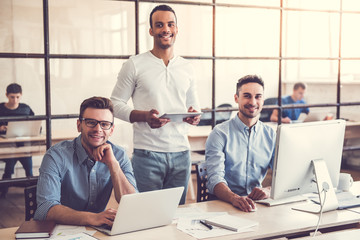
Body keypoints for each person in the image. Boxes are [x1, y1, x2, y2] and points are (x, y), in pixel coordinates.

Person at [110, 4, 200, 204]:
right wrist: (144, 116)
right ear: (151, 31)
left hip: (181, 154)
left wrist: (194, 115)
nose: (165, 29)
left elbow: (194, 106)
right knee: (145, 217)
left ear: (176, 29)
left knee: (176, 216)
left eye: (170, 24)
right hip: (147, 154)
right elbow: (114, 104)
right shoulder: (134, 64)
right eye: (159, 25)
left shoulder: (187, 67)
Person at [34, 97, 137, 226]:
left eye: (104, 124)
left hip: (96, 232)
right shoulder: (56, 156)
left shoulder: (118, 155)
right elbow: (45, 209)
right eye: (91, 122)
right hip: (61, 230)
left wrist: (114, 166)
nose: (98, 129)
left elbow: (132, 204)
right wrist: (93, 218)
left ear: (111, 130)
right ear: (79, 125)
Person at [205, 75, 276, 212]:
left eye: (258, 96)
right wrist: (234, 198)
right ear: (236, 98)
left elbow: (283, 177)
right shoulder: (219, 133)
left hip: (255, 205)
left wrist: (268, 190)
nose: (253, 102)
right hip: (222, 204)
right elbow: (215, 179)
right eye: (247, 96)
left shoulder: (271, 135)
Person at [0, 83, 34, 198]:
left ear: (21, 95)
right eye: (12, 97)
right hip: (8, 146)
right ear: (6, 95)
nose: (15, 100)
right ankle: (3, 193)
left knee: (29, 171)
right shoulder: (1, 108)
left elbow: (35, 124)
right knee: (8, 170)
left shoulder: (25, 108)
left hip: (23, 145)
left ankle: (32, 195)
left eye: (17, 97)